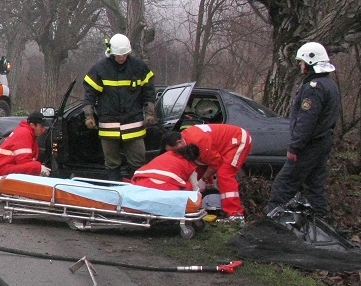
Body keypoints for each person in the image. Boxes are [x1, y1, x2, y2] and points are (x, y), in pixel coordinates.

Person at [267, 42, 341, 218]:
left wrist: (295, 147)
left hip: (309, 144)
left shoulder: (314, 88)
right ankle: (320, 226)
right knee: (315, 186)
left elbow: (306, 121)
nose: (300, 65)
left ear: (310, 63)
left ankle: (271, 224)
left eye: (302, 62)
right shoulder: (330, 84)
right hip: (322, 142)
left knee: (283, 183)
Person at [82, 33, 157, 181]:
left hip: (133, 122)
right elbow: (90, 95)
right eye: (118, 55)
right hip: (109, 124)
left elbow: (149, 92)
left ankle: (137, 191)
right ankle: (114, 192)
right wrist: (88, 116)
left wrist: (149, 113)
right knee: (112, 163)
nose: (122, 58)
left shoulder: (139, 67)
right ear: (111, 53)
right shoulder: (99, 69)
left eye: (124, 55)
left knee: (138, 161)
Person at [165, 124, 252, 220]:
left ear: (179, 142)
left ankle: (235, 214)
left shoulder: (199, 141)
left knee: (224, 174)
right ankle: (199, 206)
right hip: (224, 143)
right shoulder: (187, 140)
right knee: (198, 172)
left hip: (237, 140)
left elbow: (216, 162)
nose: (177, 154)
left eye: (175, 151)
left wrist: (204, 178)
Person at [0, 111, 51, 184]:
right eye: (41, 126)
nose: (44, 130)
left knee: (36, 166)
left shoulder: (26, 132)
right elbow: (24, 161)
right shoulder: (24, 134)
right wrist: (40, 168)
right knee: (35, 167)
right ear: (32, 125)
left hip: (0, 169)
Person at [132, 134, 200, 191]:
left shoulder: (166, 155)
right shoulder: (190, 165)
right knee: (188, 186)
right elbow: (194, 188)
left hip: (141, 182)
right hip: (165, 189)